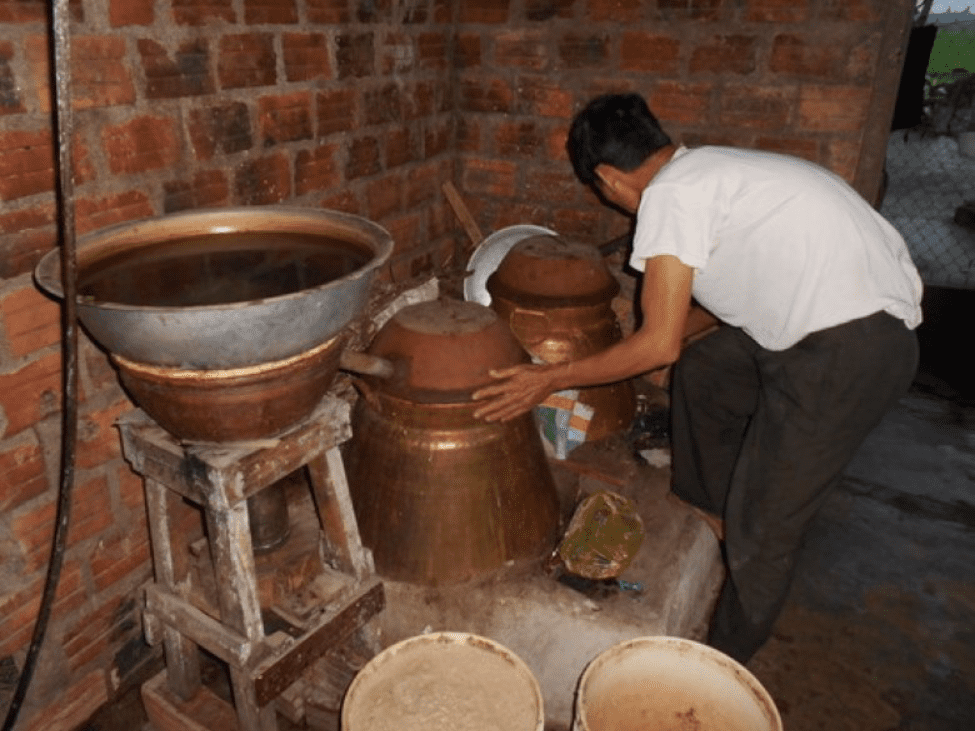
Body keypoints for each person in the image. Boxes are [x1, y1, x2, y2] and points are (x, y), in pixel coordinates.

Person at [472, 92, 922, 664]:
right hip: (852, 326)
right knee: (708, 368)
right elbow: (727, 296)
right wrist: (668, 341)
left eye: (599, 187)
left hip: (845, 358)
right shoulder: (712, 171)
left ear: (608, 178)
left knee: (767, 529)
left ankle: (717, 668)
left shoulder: (669, 198)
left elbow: (655, 340)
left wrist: (549, 379)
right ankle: (710, 508)